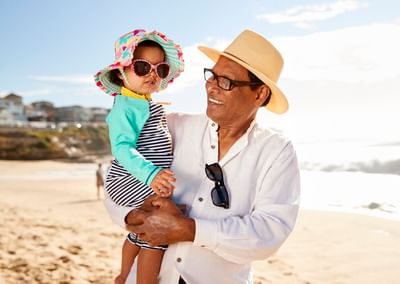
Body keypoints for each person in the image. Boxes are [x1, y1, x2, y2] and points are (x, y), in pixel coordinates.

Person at [104, 29, 300, 284]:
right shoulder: (168, 126)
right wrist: (135, 217)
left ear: (259, 94)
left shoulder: (276, 150)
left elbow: (269, 232)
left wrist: (188, 230)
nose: (211, 87)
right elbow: (118, 180)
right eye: (211, 76)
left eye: (226, 81)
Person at [94, 29, 184, 284]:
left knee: (141, 231)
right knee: (157, 235)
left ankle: (123, 275)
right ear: (120, 73)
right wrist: (151, 174)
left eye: (161, 69)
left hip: (139, 180)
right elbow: (122, 149)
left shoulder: (140, 102)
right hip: (132, 179)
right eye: (143, 67)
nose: (153, 74)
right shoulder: (124, 107)